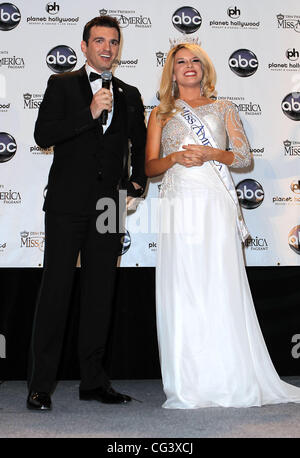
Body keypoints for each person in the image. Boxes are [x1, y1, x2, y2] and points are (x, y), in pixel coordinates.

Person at [145, 41, 300, 408]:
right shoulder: (160, 113)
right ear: (171, 71)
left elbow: (243, 158)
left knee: (218, 281)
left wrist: (213, 153)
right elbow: (149, 167)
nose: (188, 66)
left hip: (215, 202)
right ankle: (189, 381)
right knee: (183, 286)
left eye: (195, 60)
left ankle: (229, 375)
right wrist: (176, 158)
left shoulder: (224, 107)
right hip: (177, 202)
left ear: (205, 68)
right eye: (180, 62)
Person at [27, 15, 147, 410]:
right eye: (99, 41)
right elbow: (43, 135)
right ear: (84, 46)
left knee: (101, 294)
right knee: (56, 291)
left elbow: (140, 143)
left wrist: (138, 181)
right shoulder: (61, 85)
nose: (107, 48)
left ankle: (94, 382)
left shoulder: (130, 93)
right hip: (65, 202)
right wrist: (90, 112)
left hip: (109, 204)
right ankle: (40, 385)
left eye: (113, 41)